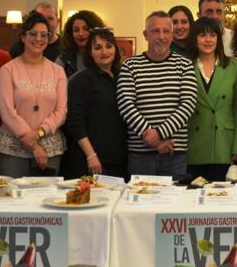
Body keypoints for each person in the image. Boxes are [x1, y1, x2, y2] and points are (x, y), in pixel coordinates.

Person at [118, 11, 197, 177]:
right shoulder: (130, 66)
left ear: (172, 35)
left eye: (166, 31)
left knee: (173, 202)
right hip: (140, 154)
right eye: (155, 31)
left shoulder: (185, 65)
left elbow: (188, 105)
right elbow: (126, 105)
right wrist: (152, 139)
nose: (161, 36)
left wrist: (159, 134)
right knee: (140, 200)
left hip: (174, 152)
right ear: (146, 35)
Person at [0, 12, 68, 177]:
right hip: (13, 146)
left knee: (44, 198)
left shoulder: (58, 71)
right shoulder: (8, 70)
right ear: (23, 37)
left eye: (44, 35)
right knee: (12, 199)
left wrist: (40, 132)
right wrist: (33, 144)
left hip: (49, 147)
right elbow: (7, 111)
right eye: (33, 34)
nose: (38, 39)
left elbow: (61, 111)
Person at [186, 17, 237, 182]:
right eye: (202, 35)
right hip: (193, 141)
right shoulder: (184, 66)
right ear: (194, 38)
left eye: (212, 35)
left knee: (222, 197)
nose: (208, 40)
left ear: (218, 39)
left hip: (224, 141)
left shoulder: (234, 67)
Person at [64, 28, 127, 179]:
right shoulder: (81, 80)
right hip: (91, 159)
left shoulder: (123, 75)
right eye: (97, 48)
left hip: (120, 158)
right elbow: (75, 122)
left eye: (108, 46)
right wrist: (91, 155)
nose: (104, 52)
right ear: (90, 52)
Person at [55, 10, 105, 77]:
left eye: (86, 29)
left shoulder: (105, 54)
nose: (81, 34)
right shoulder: (65, 58)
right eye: (76, 30)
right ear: (71, 34)